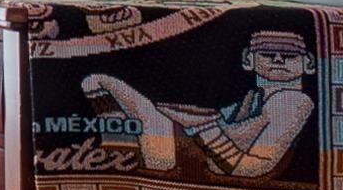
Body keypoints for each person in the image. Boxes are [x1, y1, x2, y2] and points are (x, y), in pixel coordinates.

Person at [81, 28, 313, 177]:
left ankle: (116, 152)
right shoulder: (256, 98)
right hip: (199, 149)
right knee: (103, 85)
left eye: (290, 56)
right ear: (249, 60)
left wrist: (201, 126)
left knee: (104, 84)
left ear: (308, 64)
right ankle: (116, 149)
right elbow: (226, 122)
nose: (279, 60)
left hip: (210, 160)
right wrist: (196, 119)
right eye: (268, 55)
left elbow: (254, 167)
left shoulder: (292, 101)